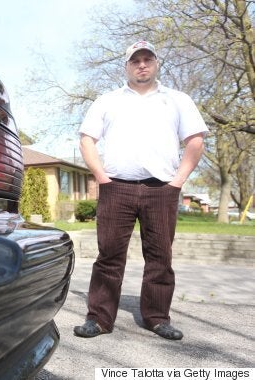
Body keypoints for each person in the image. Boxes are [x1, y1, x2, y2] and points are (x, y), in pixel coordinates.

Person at [73, 40, 208, 340]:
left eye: (148, 59)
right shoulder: (107, 101)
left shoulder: (178, 100)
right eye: (136, 60)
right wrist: (101, 178)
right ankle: (99, 318)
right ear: (127, 66)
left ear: (156, 63)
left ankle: (157, 318)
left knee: (161, 256)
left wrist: (177, 183)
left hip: (162, 189)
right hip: (116, 188)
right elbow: (86, 140)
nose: (142, 64)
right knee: (109, 255)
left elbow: (195, 141)